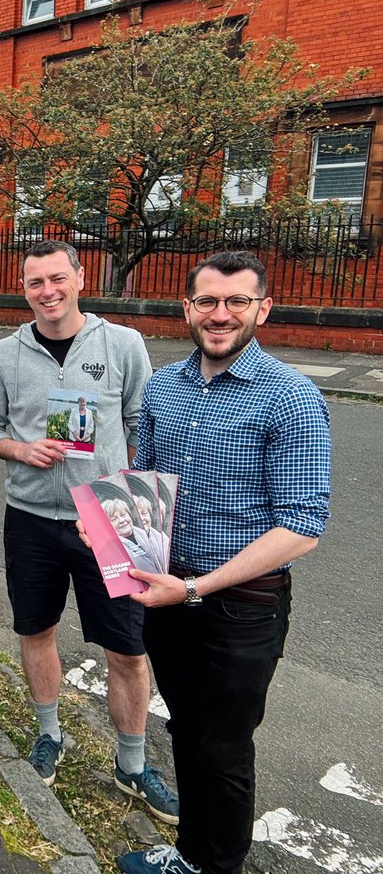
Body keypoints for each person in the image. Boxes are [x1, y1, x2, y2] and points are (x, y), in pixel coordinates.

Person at [115, 251, 331, 874]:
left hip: (241, 608)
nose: (221, 314)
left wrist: (195, 588)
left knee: (224, 748)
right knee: (185, 729)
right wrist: (108, 521)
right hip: (166, 592)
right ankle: (190, 854)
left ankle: (217, 866)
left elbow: (301, 528)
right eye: (207, 301)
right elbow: (143, 484)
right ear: (187, 308)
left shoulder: (290, 397)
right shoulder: (163, 389)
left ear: (262, 308)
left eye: (238, 301)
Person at [0, 239, 178, 822]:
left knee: (128, 650)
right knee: (36, 632)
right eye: (36, 282)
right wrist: (19, 447)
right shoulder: (6, 355)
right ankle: (49, 734)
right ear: (24, 289)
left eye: (58, 278)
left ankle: (133, 765)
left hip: (107, 523)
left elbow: (145, 424)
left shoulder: (122, 344)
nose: (48, 291)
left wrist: (132, 501)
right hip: (32, 520)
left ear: (80, 277)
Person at [102, 498, 160, 574]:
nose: (122, 520)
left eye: (123, 515)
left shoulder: (152, 534)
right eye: (114, 519)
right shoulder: (110, 550)